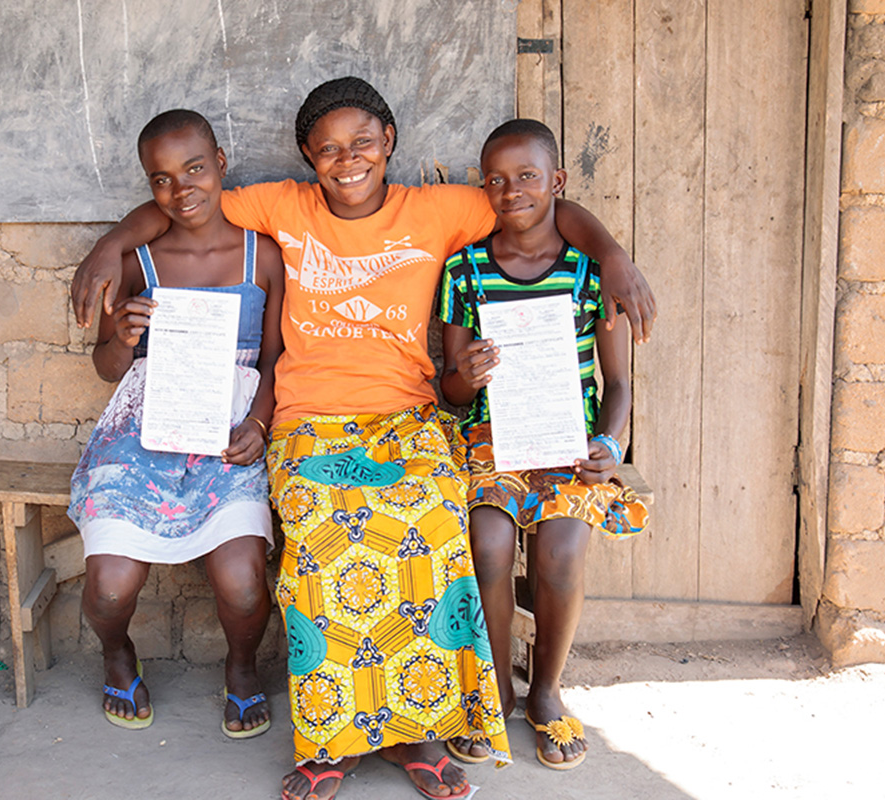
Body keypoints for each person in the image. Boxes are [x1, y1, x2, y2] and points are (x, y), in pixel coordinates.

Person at [71, 78, 657, 800]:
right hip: (307, 419)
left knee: (433, 524)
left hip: (408, 418)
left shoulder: (439, 210)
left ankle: (417, 731)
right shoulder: (280, 205)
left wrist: (616, 255)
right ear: (307, 159)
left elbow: (539, 202)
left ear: (390, 144)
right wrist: (111, 244)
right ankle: (331, 742)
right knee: (320, 537)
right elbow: (183, 201)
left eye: (362, 144)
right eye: (327, 150)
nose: (346, 161)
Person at [438, 119, 650, 770]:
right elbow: (449, 391)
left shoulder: (589, 273)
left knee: (559, 552)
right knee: (490, 541)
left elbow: (617, 385)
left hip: (567, 444)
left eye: (527, 177)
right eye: (495, 181)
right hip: (491, 437)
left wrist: (610, 444)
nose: (511, 192)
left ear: (556, 181)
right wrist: (463, 375)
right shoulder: (465, 268)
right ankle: (498, 687)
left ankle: (547, 692)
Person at [67, 109, 285, 740]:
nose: (181, 189)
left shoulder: (260, 256)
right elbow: (108, 367)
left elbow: (275, 359)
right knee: (108, 586)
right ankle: (116, 652)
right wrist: (123, 337)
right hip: (145, 430)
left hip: (229, 431)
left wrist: (261, 423)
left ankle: (241, 668)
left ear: (222, 164)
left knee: (243, 583)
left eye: (194, 168)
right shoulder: (140, 263)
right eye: (160, 179)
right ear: (148, 187)